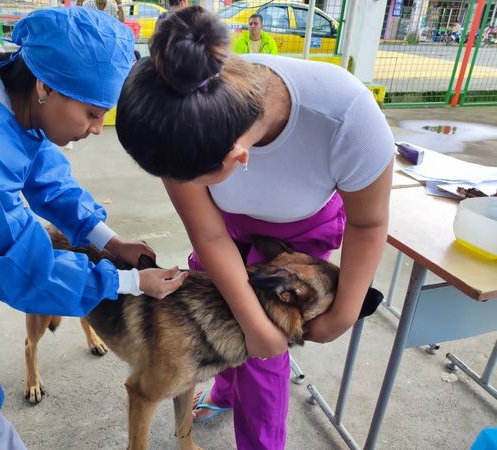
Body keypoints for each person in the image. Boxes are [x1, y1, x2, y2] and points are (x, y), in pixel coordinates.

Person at [0, 7, 186, 450]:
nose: (97, 129)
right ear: (46, 86)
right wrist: (127, 282)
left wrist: (110, 240)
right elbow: (26, 267)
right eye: (92, 113)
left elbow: (45, 175)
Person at [116, 6, 393, 449]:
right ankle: (225, 390)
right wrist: (251, 324)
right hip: (223, 228)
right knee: (225, 323)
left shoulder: (347, 116)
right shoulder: (179, 111)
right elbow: (209, 235)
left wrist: (343, 313)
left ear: (239, 159)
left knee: (266, 360)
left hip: (299, 232)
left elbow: (369, 221)